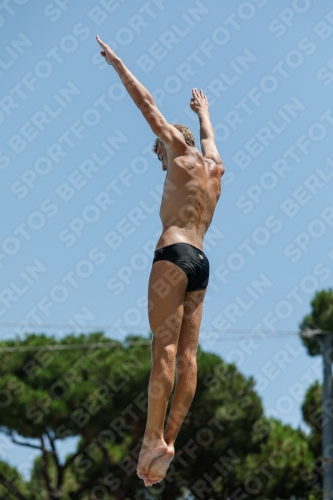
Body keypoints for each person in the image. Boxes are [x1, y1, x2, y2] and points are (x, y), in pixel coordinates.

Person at [96, 35, 224, 487]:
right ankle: (169, 440)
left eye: (161, 156)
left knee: (163, 350)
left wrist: (116, 62)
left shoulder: (176, 151)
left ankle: (152, 438)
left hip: (172, 253)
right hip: (202, 262)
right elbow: (208, 138)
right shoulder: (215, 167)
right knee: (189, 355)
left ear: (169, 145)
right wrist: (204, 113)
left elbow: (146, 102)